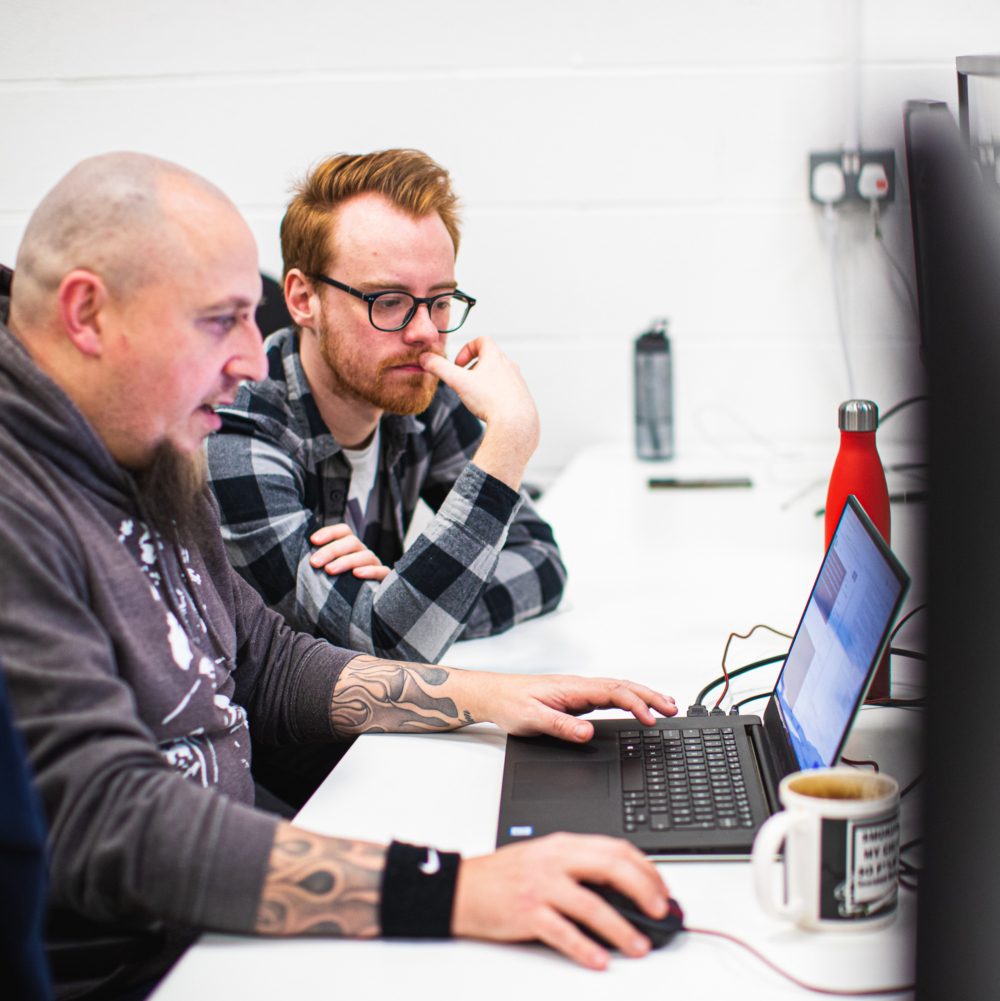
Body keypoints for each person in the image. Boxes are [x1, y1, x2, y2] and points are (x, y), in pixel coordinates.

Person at [0, 152, 678, 1000]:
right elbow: (114, 822)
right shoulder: (20, 502)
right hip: (150, 968)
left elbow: (269, 657)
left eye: (250, 321)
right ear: (88, 314)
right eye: (220, 322)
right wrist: (458, 889)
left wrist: (482, 696)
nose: (252, 359)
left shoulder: (143, 442)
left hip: (231, 908)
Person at [204, 148, 566, 670]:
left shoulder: (420, 397)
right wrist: (508, 439)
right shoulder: (236, 433)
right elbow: (383, 647)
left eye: (440, 301)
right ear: (303, 299)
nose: (424, 334)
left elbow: (542, 561)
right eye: (388, 301)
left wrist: (406, 599)